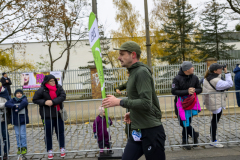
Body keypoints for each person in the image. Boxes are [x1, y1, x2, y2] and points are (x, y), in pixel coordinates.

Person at [102, 41, 166, 160]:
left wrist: (120, 102)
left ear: (133, 54)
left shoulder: (141, 72)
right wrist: (133, 113)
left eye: (122, 54)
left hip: (151, 131)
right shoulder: (133, 72)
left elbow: (146, 103)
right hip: (137, 129)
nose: (118, 57)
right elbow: (139, 101)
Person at [32, 75, 66, 159]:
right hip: (47, 115)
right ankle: (49, 150)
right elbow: (35, 99)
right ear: (46, 82)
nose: (53, 82)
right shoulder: (42, 90)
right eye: (51, 81)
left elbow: (63, 96)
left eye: (54, 80)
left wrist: (53, 102)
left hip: (58, 114)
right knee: (48, 134)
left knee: (60, 132)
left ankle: (62, 148)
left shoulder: (59, 87)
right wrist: (44, 102)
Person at [171, 61, 202, 150]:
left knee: (187, 122)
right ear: (187, 69)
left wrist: (194, 90)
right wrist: (186, 91)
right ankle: (194, 135)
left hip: (191, 104)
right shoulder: (177, 78)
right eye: (192, 67)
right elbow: (174, 91)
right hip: (180, 104)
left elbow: (200, 89)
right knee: (183, 123)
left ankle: (185, 141)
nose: (193, 68)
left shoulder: (195, 78)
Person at [203, 63, 233, 148]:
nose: (221, 70)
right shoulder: (216, 80)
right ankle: (213, 140)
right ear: (215, 71)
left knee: (214, 120)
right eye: (220, 69)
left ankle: (212, 135)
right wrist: (227, 73)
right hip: (216, 102)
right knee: (215, 120)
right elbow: (230, 84)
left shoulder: (207, 78)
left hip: (213, 101)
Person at [5, 89, 29, 155]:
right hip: (15, 120)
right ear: (15, 94)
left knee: (22, 134)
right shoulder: (13, 100)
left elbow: (25, 103)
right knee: (17, 134)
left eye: (20, 93)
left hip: (22, 119)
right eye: (17, 93)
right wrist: (14, 106)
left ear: (22, 94)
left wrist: (18, 108)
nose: (19, 94)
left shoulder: (24, 98)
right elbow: (7, 103)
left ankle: (24, 147)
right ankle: (19, 147)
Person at [114, 72, 131, 138]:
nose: (128, 74)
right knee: (128, 119)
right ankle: (128, 135)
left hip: (134, 104)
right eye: (127, 73)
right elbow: (121, 86)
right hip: (129, 105)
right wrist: (117, 89)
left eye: (128, 73)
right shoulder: (129, 81)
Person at [0, 82, 10, 159]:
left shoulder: (4, 91)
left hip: (3, 118)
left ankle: (6, 152)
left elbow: (8, 103)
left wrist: (3, 105)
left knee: (5, 136)